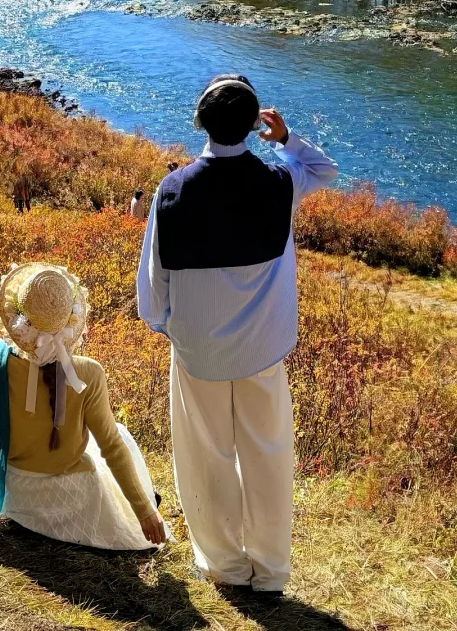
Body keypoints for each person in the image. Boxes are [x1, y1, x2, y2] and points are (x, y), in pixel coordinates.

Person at [137, 75, 338, 595]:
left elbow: (155, 279)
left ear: (199, 122)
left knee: (208, 458)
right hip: (263, 349)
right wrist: (287, 138)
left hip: (199, 350)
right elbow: (324, 169)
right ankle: (270, 571)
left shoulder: (173, 189)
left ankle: (225, 565)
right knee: (268, 455)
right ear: (254, 124)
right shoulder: (279, 182)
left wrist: (165, 325)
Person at [0, 262, 167, 550]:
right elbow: (111, 446)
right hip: (73, 501)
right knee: (120, 436)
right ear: (71, 321)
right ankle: (147, 501)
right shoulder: (88, 373)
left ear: (18, 319)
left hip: (17, 496)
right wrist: (144, 511)